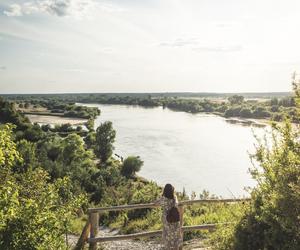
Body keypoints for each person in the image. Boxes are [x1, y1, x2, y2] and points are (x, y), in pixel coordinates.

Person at [155, 184, 183, 250]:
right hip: (175, 219)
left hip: (167, 220)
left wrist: (159, 197)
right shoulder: (174, 197)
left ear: (164, 190)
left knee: (167, 236)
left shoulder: (163, 199)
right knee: (175, 236)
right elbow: (177, 205)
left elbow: (155, 203)